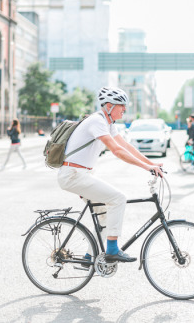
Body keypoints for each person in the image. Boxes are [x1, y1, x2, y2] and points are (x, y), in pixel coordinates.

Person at [57, 87, 164, 263]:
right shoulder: (97, 122)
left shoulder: (108, 124)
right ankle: (112, 250)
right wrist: (146, 167)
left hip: (82, 175)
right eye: (121, 105)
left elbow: (126, 146)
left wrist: (151, 163)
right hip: (73, 175)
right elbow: (116, 150)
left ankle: (89, 257)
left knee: (105, 213)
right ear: (108, 106)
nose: (124, 109)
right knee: (118, 198)